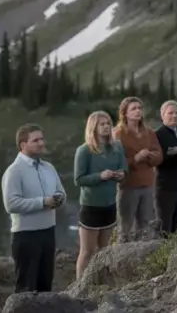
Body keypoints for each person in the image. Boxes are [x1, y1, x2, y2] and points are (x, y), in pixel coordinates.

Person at [2, 123, 66, 293]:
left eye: (42, 139)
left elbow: (61, 192)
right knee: (26, 288)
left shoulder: (48, 168)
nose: (41, 143)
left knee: (45, 285)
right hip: (26, 236)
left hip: (48, 232)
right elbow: (11, 204)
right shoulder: (14, 171)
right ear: (23, 145)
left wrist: (59, 199)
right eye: (35, 140)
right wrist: (43, 202)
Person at [73, 111, 127, 279]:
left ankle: (102, 282)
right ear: (93, 128)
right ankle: (79, 285)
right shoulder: (84, 151)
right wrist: (100, 176)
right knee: (87, 251)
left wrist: (121, 175)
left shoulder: (117, 147)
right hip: (91, 206)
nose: (106, 127)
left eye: (108, 123)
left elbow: (125, 169)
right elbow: (79, 179)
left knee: (105, 251)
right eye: (101, 124)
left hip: (110, 205)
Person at [113, 96, 163, 241]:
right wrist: (135, 159)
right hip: (127, 186)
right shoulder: (118, 133)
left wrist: (148, 157)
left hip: (147, 185)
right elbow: (116, 162)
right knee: (125, 228)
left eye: (139, 108)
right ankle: (121, 261)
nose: (138, 111)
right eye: (133, 109)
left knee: (146, 228)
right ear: (125, 113)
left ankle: (142, 261)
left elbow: (159, 156)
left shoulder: (149, 132)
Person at [154, 100, 177, 236]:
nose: (174, 116)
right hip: (164, 188)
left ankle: (169, 253)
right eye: (170, 113)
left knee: (175, 225)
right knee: (164, 227)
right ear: (162, 115)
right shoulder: (157, 135)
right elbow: (156, 158)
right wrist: (171, 152)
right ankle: (160, 255)